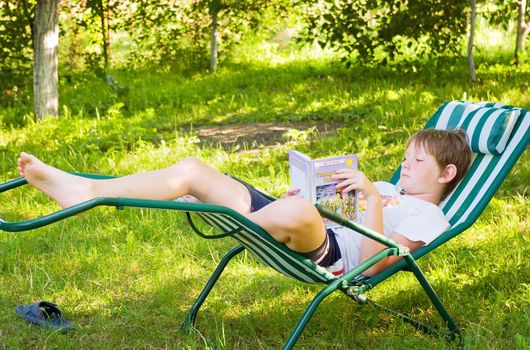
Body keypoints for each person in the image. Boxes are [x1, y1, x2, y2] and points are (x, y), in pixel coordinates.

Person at [16, 128, 471, 277]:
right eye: (406, 157)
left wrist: (370, 197)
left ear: (446, 174)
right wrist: (311, 193)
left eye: (417, 161)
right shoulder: (394, 190)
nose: (404, 166)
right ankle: (85, 190)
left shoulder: (428, 215)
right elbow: (333, 211)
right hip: (298, 219)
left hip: (328, 255)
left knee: (297, 212)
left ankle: (263, 213)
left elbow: (371, 268)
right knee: (194, 169)